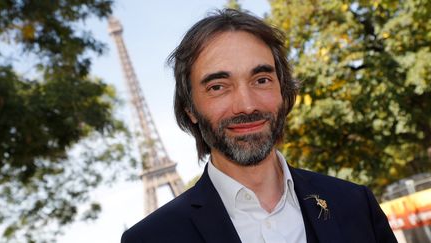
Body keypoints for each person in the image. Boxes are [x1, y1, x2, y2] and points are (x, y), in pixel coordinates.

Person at [121, 9, 397, 243]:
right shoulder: (151, 238)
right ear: (189, 109)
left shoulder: (356, 204)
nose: (247, 105)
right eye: (218, 86)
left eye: (261, 80)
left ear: (283, 89)